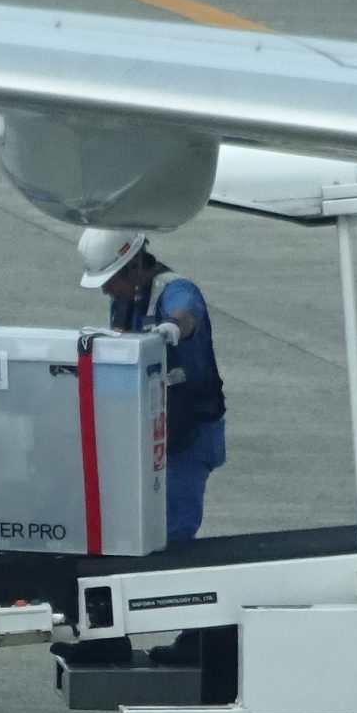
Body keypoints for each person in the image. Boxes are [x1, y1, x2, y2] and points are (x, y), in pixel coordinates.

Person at [78, 228, 227, 665]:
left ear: (134, 268)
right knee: (119, 534)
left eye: (111, 278)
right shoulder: (123, 300)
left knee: (176, 539)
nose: (106, 287)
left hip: (186, 438)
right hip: (146, 436)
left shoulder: (176, 292)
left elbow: (187, 315)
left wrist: (171, 330)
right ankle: (107, 639)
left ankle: (197, 640)